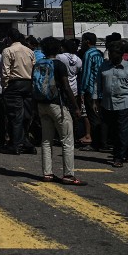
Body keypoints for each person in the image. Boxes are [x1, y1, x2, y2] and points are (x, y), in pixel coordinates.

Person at [33, 37, 85, 185]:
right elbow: (66, 87)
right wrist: (75, 106)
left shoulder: (38, 64)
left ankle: (47, 173)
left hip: (42, 105)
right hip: (58, 105)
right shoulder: (59, 65)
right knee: (67, 140)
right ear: (58, 49)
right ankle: (68, 175)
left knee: (46, 140)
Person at [100, 39, 128, 168]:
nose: (111, 56)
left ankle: (118, 156)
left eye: (114, 53)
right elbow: (98, 84)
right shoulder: (104, 66)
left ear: (120, 54)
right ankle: (127, 151)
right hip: (107, 103)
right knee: (115, 130)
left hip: (124, 103)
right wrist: (95, 99)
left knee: (122, 129)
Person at [1, 29, 35, 155]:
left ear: (9, 38)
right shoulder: (29, 51)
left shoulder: (8, 50)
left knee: (15, 115)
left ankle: (15, 144)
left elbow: (5, 71)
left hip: (14, 84)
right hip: (28, 83)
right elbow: (34, 67)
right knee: (26, 115)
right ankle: (25, 141)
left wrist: (5, 86)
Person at [78, 33, 105, 148]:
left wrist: (82, 90)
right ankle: (101, 140)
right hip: (100, 88)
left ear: (87, 41)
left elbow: (86, 73)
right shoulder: (99, 53)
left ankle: (96, 142)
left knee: (92, 116)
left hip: (90, 88)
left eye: (83, 40)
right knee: (99, 115)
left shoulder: (88, 54)